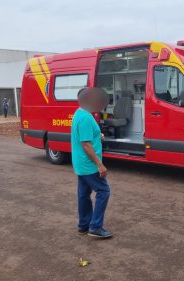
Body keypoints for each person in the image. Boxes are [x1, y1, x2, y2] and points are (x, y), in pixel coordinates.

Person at [71, 87, 113, 238]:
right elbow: (86, 144)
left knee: (84, 193)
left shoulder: (80, 113)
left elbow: (87, 138)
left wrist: (98, 135)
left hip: (81, 164)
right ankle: (95, 227)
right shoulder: (86, 118)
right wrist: (99, 164)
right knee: (103, 191)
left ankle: (84, 225)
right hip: (89, 165)